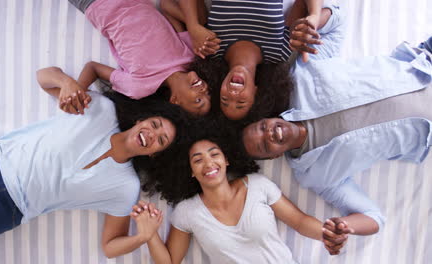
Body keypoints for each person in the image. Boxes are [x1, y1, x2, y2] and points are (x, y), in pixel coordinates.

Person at [0, 67, 184, 259]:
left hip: (4, 209)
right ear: (141, 120)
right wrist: (68, 83)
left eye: (161, 140)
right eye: (155, 124)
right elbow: (43, 77)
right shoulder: (102, 108)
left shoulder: (126, 187)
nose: (153, 134)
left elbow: (110, 247)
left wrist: (143, 236)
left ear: (155, 154)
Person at [241, 40, 432, 236]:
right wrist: (343, 225)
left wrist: (313, 21)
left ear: (267, 117)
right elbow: (373, 217)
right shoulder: (315, 175)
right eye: (264, 145)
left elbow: (335, 21)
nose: (270, 133)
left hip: (424, 63)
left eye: (263, 126)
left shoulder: (300, 78)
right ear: (274, 157)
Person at [130, 138, 349, 263]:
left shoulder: (258, 185)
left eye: (214, 154)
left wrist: (326, 233)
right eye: (198, 160)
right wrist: (149, 236)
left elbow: (299, 222)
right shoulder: (187, 212)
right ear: (191, 172)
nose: (208, 163)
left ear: (226, 160)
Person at [169, 0, 332, 120]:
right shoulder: (279, 52)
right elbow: (302, 4)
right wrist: (314, 17)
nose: (233, 93)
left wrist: (192, 26)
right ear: (256, 92)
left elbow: (167, 4)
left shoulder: (211, 48)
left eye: (225, 99)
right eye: (241, 101)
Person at [63, 0, 211, 116]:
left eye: (199, 100)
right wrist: (195, 27)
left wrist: (78, 90)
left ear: (175, 101)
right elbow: (166, 5)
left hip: (97, 4)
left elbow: (93, 68)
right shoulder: (189, 56)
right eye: (209, 93)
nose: (204, 91)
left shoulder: (140, 87)